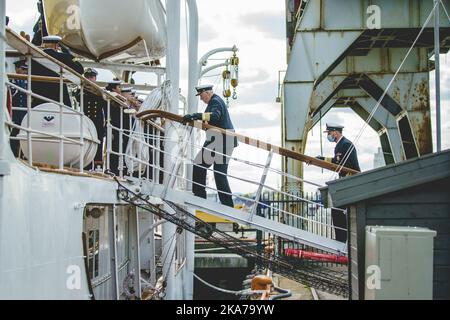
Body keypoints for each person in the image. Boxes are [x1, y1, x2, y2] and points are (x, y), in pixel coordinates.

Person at [183, 85, 238, 208]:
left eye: (202, 96)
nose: (201, 99)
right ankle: (227, 205)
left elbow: (214, 116)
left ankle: (200, 198)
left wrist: (195, 115)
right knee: (219, 173)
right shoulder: (216, 101)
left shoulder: (215, 101)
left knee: (199, 165)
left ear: (207, 93)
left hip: (220, 140)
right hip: (224, 140)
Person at [317, 123, 361, 243]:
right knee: (338, 210)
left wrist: (322, 160)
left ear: (336, 132)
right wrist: (321, 159)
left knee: (337, 210)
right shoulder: (341, 144)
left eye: (330, 133)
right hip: (346, 181)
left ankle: (341, 239)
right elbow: (337, 161)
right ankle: (341, 238)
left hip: (349, 181)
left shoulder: (344, 144)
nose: (329, 135)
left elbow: (339, 163)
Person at [31, 35, 84, 108]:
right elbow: (80, 70)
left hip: (39, 101)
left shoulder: (33, 59)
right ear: (56, 46)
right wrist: (68, 53)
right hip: (59, 100)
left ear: (44, 45)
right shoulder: (63, 57)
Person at [74, 68, 106, 167]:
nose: (89, 79)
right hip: (86, 119)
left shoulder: (100, 92)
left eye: (91, 77)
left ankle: (97, 164)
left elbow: (105, 106)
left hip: (97, 120)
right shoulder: (80, 90)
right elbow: (78, 98)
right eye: (87, 77)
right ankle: (85, 163)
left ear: (95, 78)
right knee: (85, 141)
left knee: (98, 141)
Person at [9, 60, 29, 157]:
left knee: (24, 136)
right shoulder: (12, 81)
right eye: (23, 69)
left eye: (26, 70)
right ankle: (14, 154)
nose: (25, 72)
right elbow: (11, 95)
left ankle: (23, 155)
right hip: (15, 114)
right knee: (13, 135)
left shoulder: (29, 82)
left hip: (25, 114)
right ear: (17, 69)